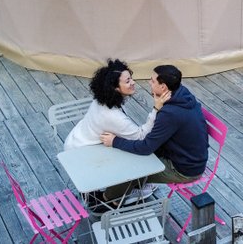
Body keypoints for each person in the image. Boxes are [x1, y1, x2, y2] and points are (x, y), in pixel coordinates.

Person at [104, 64, 208, 201]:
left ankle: (108, 200)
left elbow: (146, 148)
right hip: (187, 157)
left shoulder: (170, 113)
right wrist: (157, 108)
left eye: (153, 81)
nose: (149, 82)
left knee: (130, 170)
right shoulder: (181, 94)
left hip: (183, 169)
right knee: (130, 155)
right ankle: (128, 189)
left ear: (163, 87)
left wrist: (114, 141)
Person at [63, 59, 170, 150]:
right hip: (80, 151)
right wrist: (156, 109)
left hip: (74, 139)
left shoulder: (102, 100)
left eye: (131, 78)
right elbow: (141, 137)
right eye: (128, 81)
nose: (133, 82)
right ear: (115, 88)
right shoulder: (113, 116)